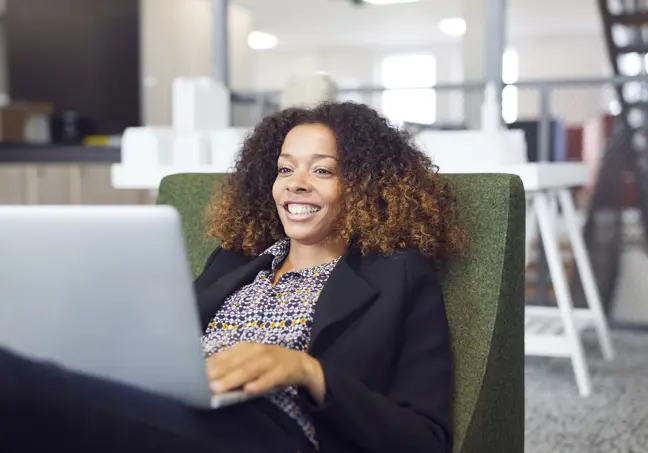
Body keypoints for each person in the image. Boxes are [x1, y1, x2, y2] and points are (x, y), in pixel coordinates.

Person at [0, 102, 465, 453]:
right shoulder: (235, 261)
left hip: (274, 432)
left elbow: (425, 438)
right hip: (181, 413)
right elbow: (170, 345)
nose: (295, 183)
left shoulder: (399, 279)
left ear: (366, 187)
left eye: (322, 170)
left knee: (15, 383)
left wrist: (307, 371)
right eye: (285, 168)